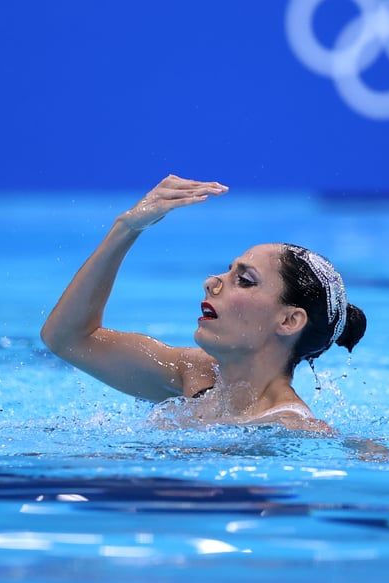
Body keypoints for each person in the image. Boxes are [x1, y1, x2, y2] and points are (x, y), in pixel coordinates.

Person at [40, 175, 367, 433]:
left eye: (245, 279)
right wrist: (126, 229)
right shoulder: (196, 375)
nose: (212, 281)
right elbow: (68, 338)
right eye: (229, 269)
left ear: (289, 321)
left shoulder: (291, 427)